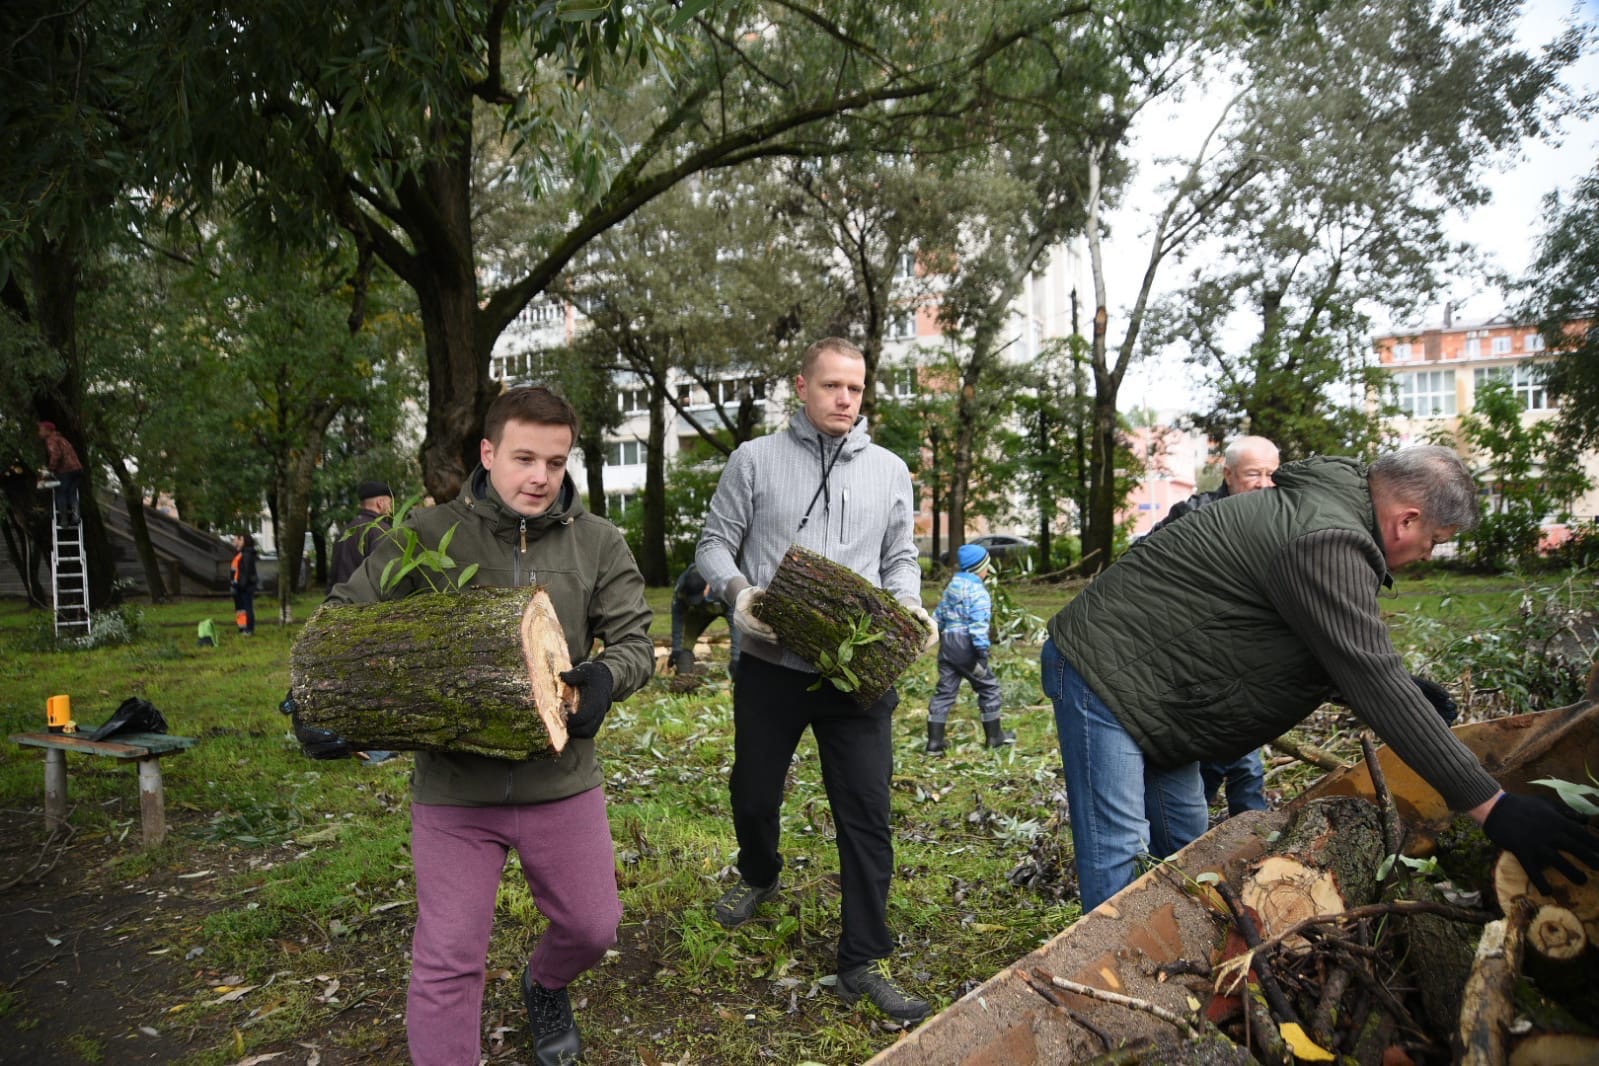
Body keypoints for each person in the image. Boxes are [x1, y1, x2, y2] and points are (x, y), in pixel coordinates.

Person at [1041, 447, 1599, 912]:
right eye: (1434, 539)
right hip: (1104, 674)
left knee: (1187, 846)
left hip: (1165, 694)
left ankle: (1159, 954)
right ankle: (1103, 995)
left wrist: (1399, 689)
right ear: (1406, 519)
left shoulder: (1329, 516)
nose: (1428, 554)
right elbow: (1371, 677)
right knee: (1119, 848)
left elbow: (1297, 638)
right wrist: (1492, 807)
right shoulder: (1326, 537)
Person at [312, 386, 654, 1066]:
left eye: (555, 462)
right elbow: (345, 618)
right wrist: (325, 698)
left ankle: (545, 983)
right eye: (524, 458)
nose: (540, 477)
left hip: (559, 779)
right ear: (487, 452)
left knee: (592, 927)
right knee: (449, 954)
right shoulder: (425, 537)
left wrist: (606, 678)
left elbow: (635, 642)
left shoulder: (597, 542)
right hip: (455, 788)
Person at [695, 336, 937, 1026]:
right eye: (830, 386)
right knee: (753, 791)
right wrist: (738, 593)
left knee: (866, 812)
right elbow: (712, 542)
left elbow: (899, 556)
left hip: (856, 674)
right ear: (800, 387)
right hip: (771, 666)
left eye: (854, 389)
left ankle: (862, 957)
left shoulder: (890, 470)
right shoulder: (753, 461)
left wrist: (909, 603)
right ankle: (760, 873)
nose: (843, 399)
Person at [1145, 435, 1281, 816]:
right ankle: (1187, 839)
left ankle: (1252, 835)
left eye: (1272, 474)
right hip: (1198, 664)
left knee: (1247, 767)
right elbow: (1145, 565)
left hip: (1249, 666)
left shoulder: (1280, 516)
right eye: (1254, 473)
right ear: (1228, 474)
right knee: (1209, 766)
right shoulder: (1194, 514)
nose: (1264, 483)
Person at [925, 543, 1011, 753]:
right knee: (988, 686)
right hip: (966, 649)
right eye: (986, 567)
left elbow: (939, 617)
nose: (988, 571)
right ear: (978, 569)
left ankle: (934, 743)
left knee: (945, 690)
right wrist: (981, 653)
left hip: (947, 647)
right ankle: (994, 737)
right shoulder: (979, 593)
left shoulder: (952, 587)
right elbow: (978, 625)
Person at [668, 563, 741, 676]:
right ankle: (684, 676)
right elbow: (677, 616)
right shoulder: (681, 587)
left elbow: (736, 622)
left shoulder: (725, 583)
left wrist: (737, 657)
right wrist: (676, 649)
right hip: (699, 611)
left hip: (726, 605)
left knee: (745, 641)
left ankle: (741, 671)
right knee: (684, 645)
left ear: (707, 587)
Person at [329, 479, 395, 590]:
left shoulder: (346, 529)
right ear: (380, 502)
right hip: (365, 601)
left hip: (339, 599)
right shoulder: (381, 530)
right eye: (389, 503)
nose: (391, 507)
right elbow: (383, 573)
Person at [37, 421, 83, 526]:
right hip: (77, 470)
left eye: (41, 430)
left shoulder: (51, 440)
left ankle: (64, 520)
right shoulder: (62, 439)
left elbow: (56, 455)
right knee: (71, 493)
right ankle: (76, 517)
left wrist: (50, 470)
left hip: (66, 470)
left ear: (48, 431)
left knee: (60, 493)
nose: (39, 432)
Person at [230, 533, 258, 635]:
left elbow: (244, 572)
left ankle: (249, 629)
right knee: (242, 608)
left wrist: (240, 585)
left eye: (241, 540)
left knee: (247, 608)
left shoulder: (246, 554)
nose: (239, 541)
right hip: (241, 585)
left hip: (245, 586)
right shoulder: (242, 553)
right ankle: (243, 628)